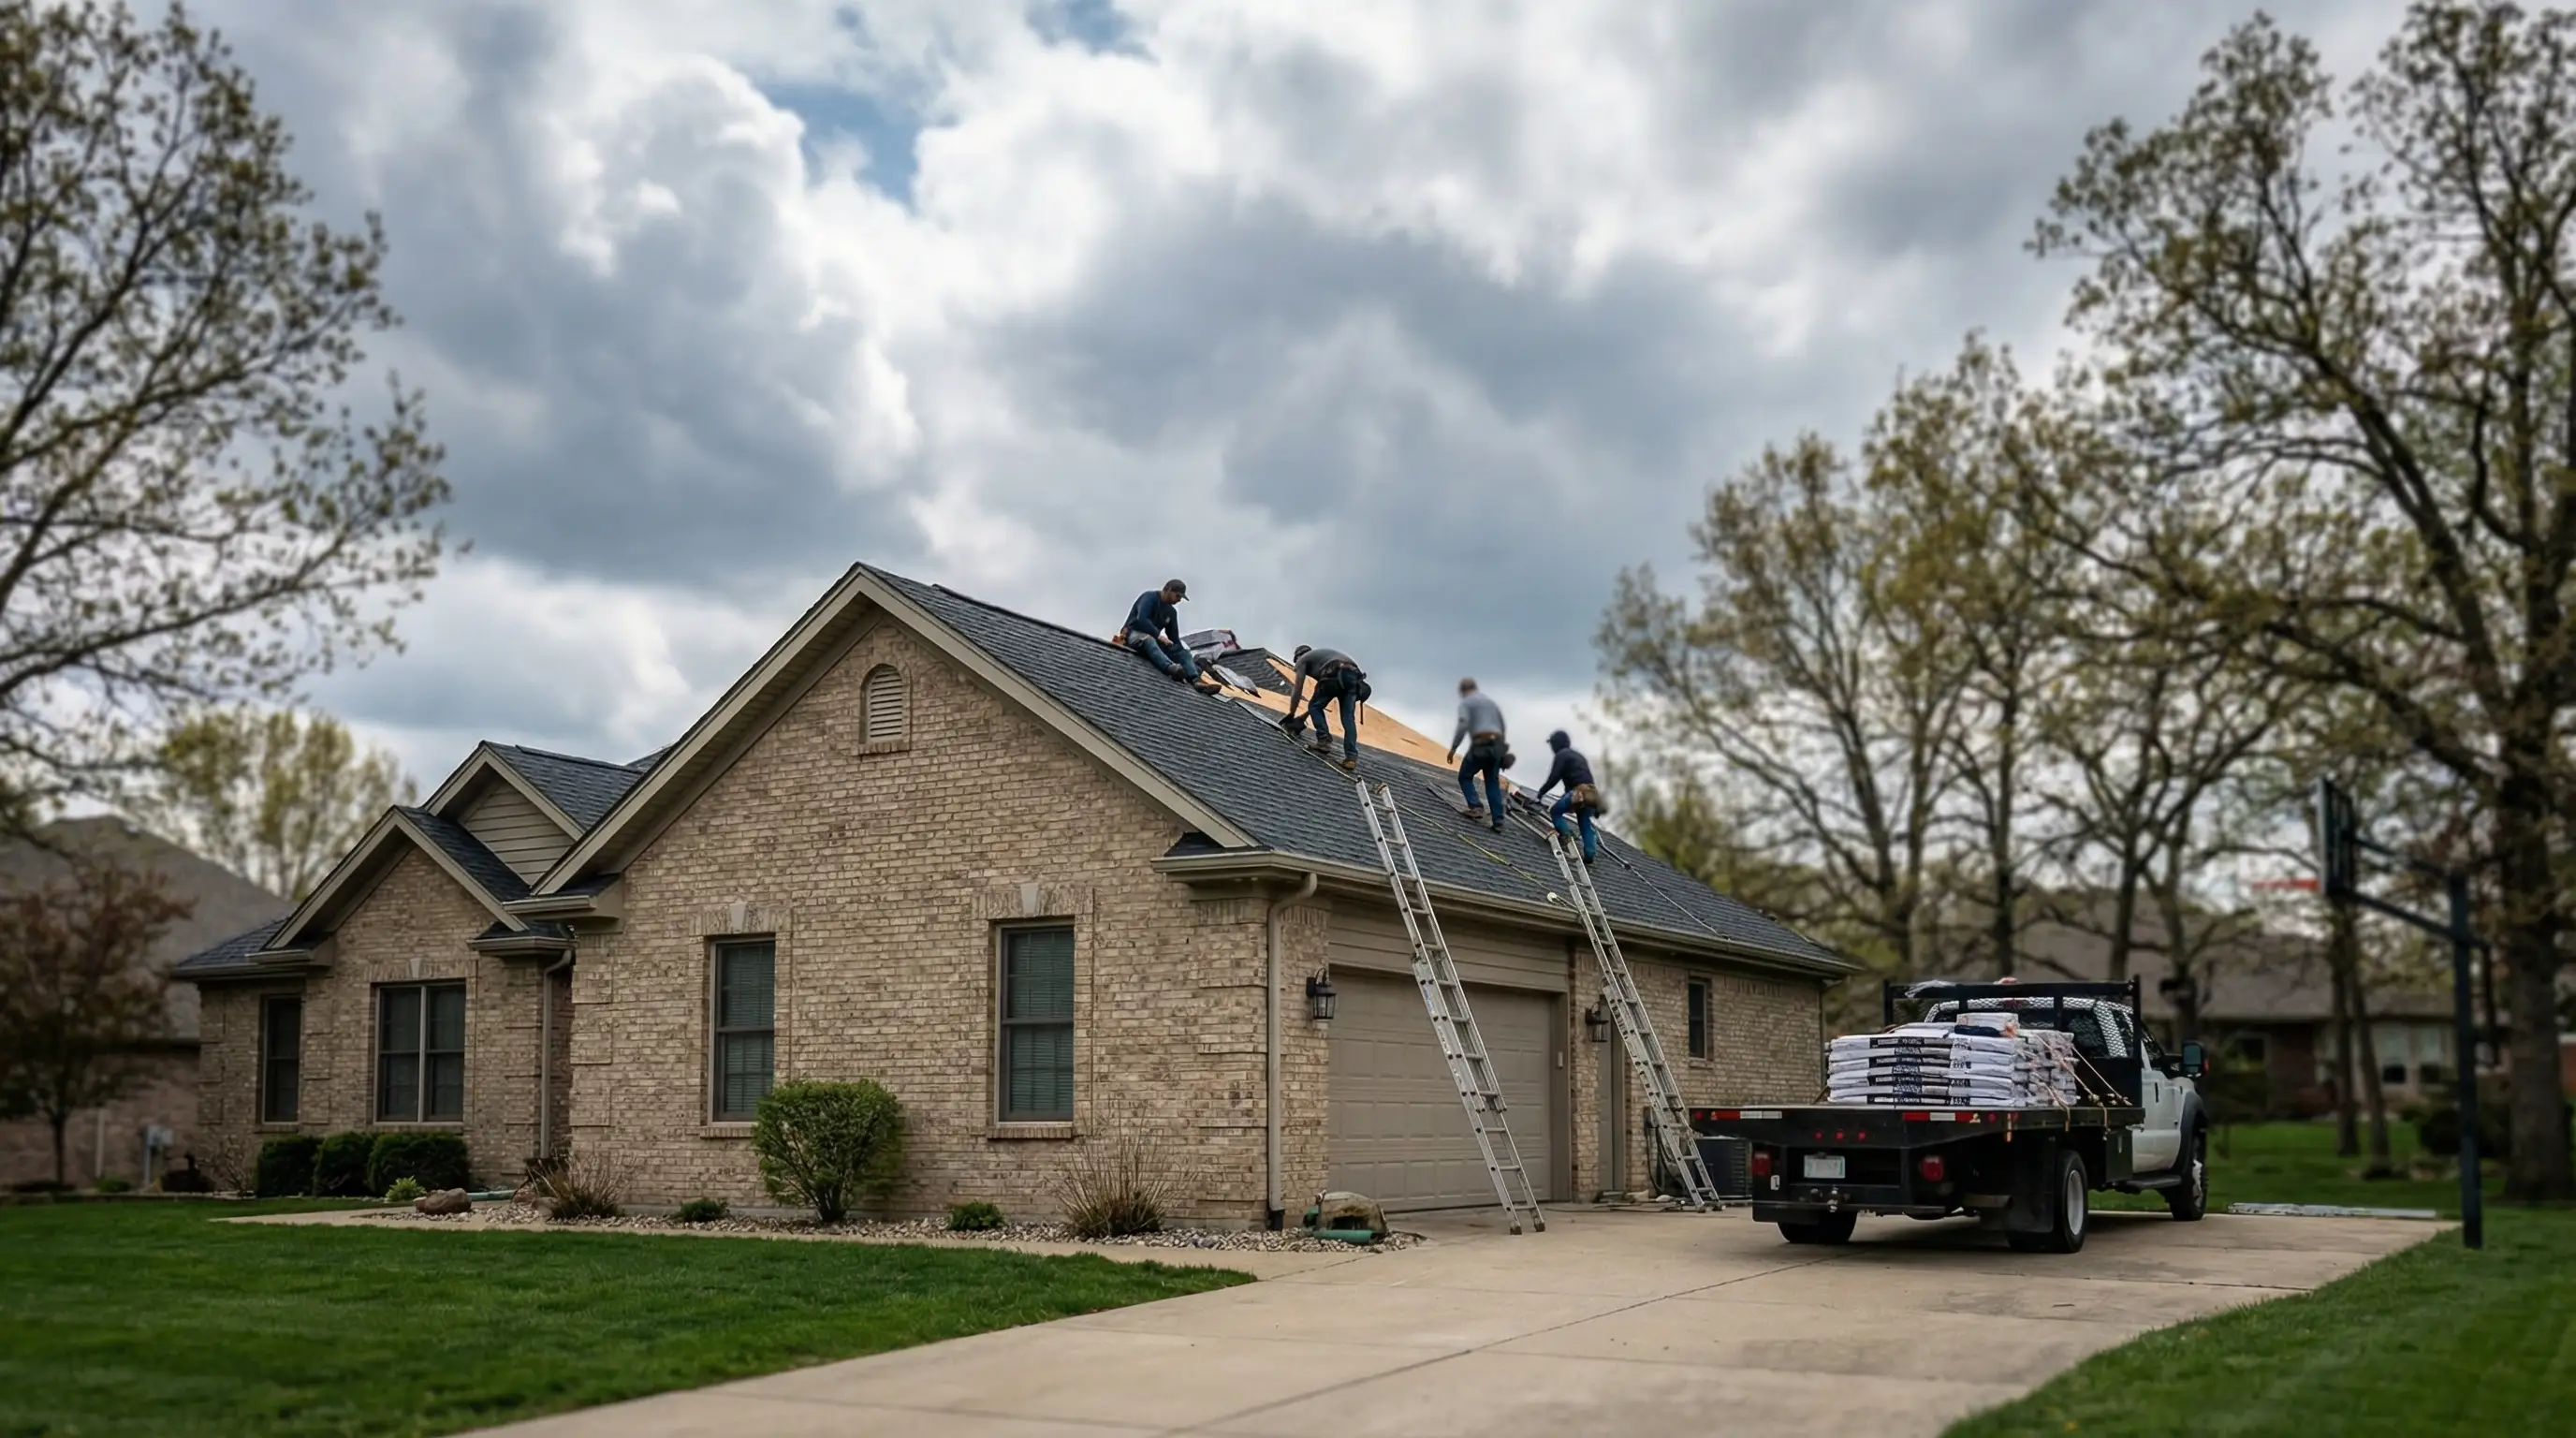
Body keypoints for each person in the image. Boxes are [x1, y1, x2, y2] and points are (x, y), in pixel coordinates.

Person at [1118, 580, 1216, 692]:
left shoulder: (1172, 612)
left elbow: (1174, 638)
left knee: (1184, 652)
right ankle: (1170, 668)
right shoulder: (1149, 597)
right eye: (1177, 596)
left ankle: (1195, 679)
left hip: (1154, 640)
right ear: (1168, 590)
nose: (1179, 600)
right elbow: (1142, 619)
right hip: (1133, 634)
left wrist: (1182, 655)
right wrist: (1158, 635)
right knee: (1148, 640)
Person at [1281, 643, 1368, 770]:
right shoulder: (1321, 658)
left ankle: (1324, 741)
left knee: (1314, 706)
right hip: (1354, 677)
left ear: (1299, 656)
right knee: (1348, 718)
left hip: (1335, 670)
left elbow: (1297, 690)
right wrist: (1303, 717)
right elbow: (1324, 699)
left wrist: (1291, 714)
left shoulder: (1304, 659)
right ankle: (1351, 758)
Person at [1446, 677, 1508, 833]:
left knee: (1465, 776)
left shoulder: (1467, 703)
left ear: (1463, 691)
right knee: (1492, 782)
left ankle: (1475, 806)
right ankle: (1498, 820)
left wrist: (1454, 748)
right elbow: (1501, 726)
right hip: (1497, 746)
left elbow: (1463, 725)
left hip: (1481, 744)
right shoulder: (1490, 704)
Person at [1531, 729, 1602, 862]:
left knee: (1555, 811)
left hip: (1579, 792)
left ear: (1556, 744)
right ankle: (1590, 853)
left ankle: (1566, 836)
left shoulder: (1562, 755)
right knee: (1584, 821)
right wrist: (1596, 808)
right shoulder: (1579, 756)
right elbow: (1586, 780)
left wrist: (1540, 794)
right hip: (1592, 794)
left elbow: (1554, 777)